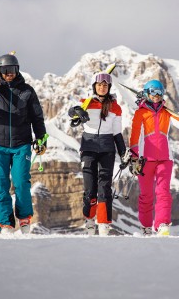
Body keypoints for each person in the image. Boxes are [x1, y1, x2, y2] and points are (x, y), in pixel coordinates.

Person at [0, 53, 47, 235]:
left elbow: (37, 117)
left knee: (21, 181)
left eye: (13, 69)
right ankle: (5, 224)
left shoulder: (27, 91)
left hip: (21, 143)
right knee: (1, 183)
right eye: (5, 70)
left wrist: (41, 138)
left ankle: (24, 219)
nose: (9, 74)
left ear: (18, 69)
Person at [128, 79, 179, 236]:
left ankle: (162, 224)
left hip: (165, 158)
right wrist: (134, 157)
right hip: (145, 160)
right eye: (153, 92)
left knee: (163, 191)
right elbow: (135, 136)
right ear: (147, 94)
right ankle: (145, 226)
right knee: (146, 196)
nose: (157, 96)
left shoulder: (166, 112)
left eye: (160, 93)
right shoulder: (140, 113)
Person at [68, 72, 126, 236]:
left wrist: (123, 153)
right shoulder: (86, 102)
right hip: (89, 147)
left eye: (105, 85)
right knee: (89, 188)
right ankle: (89, 220)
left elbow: (117, 133)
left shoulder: (115, 107)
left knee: (105, 188)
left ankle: (104, 224)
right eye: (99, 85)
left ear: (108, 88)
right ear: (94, 86)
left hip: (107, 148)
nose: (102, 87)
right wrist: (77, 110)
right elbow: (71, 112)